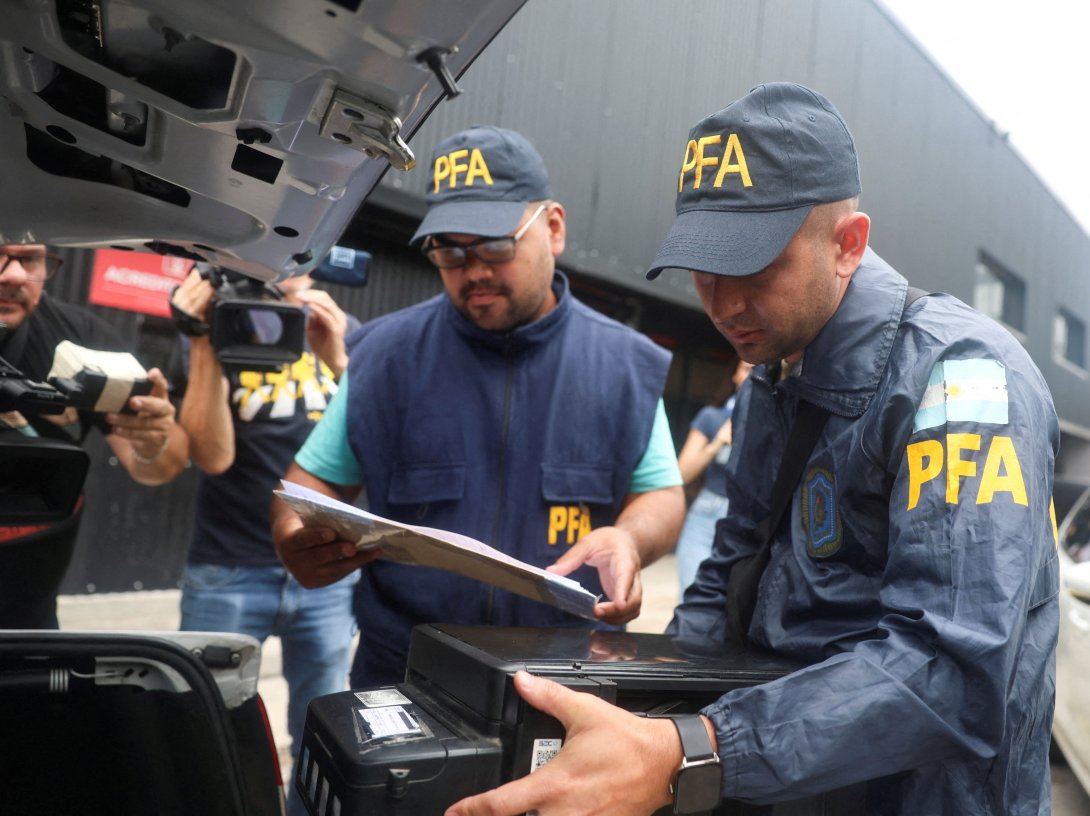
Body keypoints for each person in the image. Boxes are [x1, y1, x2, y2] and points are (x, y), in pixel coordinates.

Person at [444, 83, 1059, 816]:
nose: (724, 304)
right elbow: (735, 569)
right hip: (784, 781)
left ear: (847, 244)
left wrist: (695, 749)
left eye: (754, 268)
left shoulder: (962, 380)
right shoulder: (774, 372)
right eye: (703, 268)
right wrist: (647, 706)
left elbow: (950, 668)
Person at [270, 125, 686, 688]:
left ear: (554, 229)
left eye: (496, 245)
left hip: (564, 680)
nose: (475, 271)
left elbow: (660, 493)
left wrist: (630, 539)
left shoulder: (621, 364)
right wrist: (297, 536)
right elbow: (306, 487)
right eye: (450, 251)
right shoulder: (385, 358)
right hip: (406, 678)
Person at [169, 267, 359, 816]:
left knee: (321, 736)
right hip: (230, 566)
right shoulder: (223, 332)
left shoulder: (342, 333)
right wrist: (204, 338)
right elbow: (213, 456)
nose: (281, 281)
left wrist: (342, 356)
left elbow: (376, 443)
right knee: (205, 728)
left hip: (325, 569)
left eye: (294, 267)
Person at [0, 243, 187, 629]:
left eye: (30, 258)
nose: (14, 275)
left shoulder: (79, 338)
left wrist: (154, 440)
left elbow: (154, 466)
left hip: (28, 610)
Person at [674, 357, 752, 598]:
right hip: (706, 513)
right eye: (746, 369)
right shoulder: (712, 417)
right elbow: (681, 475)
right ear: (735, 375)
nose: (752, 376)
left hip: (749, 519)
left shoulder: (776, 419)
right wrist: (716, 442)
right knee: (691, 595)